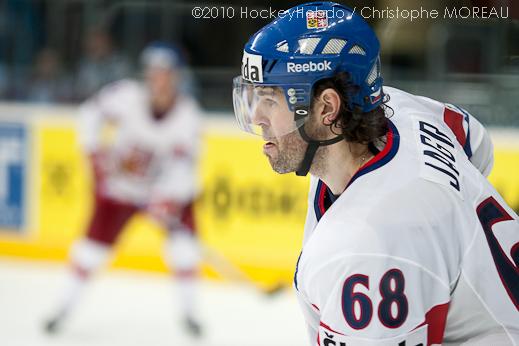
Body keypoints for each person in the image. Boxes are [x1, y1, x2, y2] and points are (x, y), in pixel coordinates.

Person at [233, 2, 518, 345]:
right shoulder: (405, 112)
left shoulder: (369, 248)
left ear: (326, 107)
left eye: (269, 98)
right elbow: (476, 143)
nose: (257, 118)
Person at [45, 42, 203, 337]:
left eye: (166, 73)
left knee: (185, 252)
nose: (159, 80)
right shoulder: (126, 96)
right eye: (154, 73)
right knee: (89, 253)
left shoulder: (187, 115)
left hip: (161, 195)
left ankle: (190, 314)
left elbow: (187, 169)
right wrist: (93, 154)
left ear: (177, 76)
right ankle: (61, 309)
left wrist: (170, 199)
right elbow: (89, 115)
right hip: (120, 190)